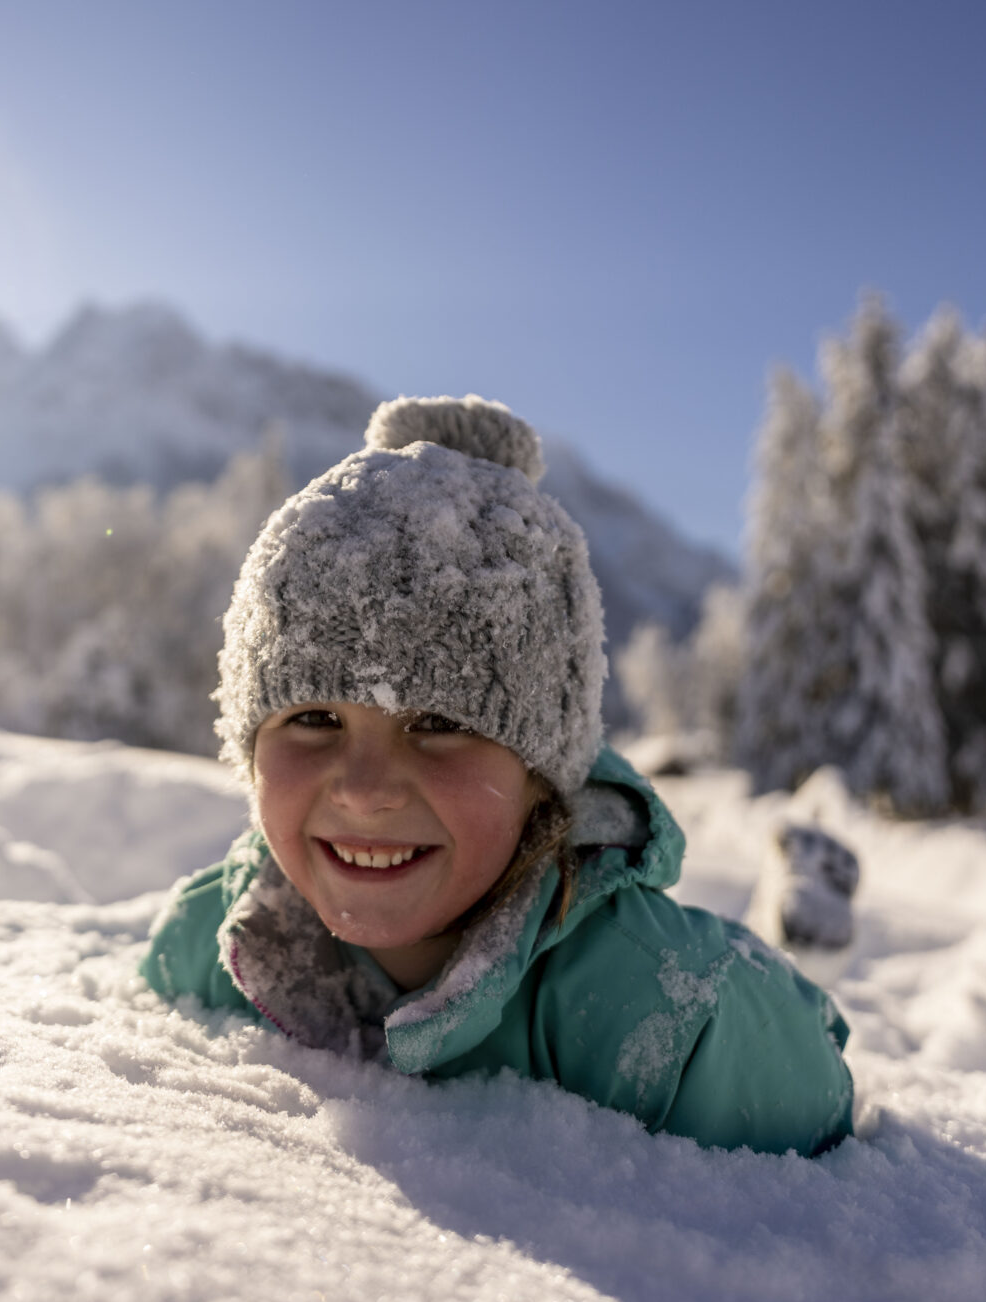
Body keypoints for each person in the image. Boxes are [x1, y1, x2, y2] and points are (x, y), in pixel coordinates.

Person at [141, 395, 853, 1156]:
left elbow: (806, 1096)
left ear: (544, 776)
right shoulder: (207, 946)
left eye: (440, 724)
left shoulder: (670, 1015)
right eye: (313, 719)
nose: (364, 788)